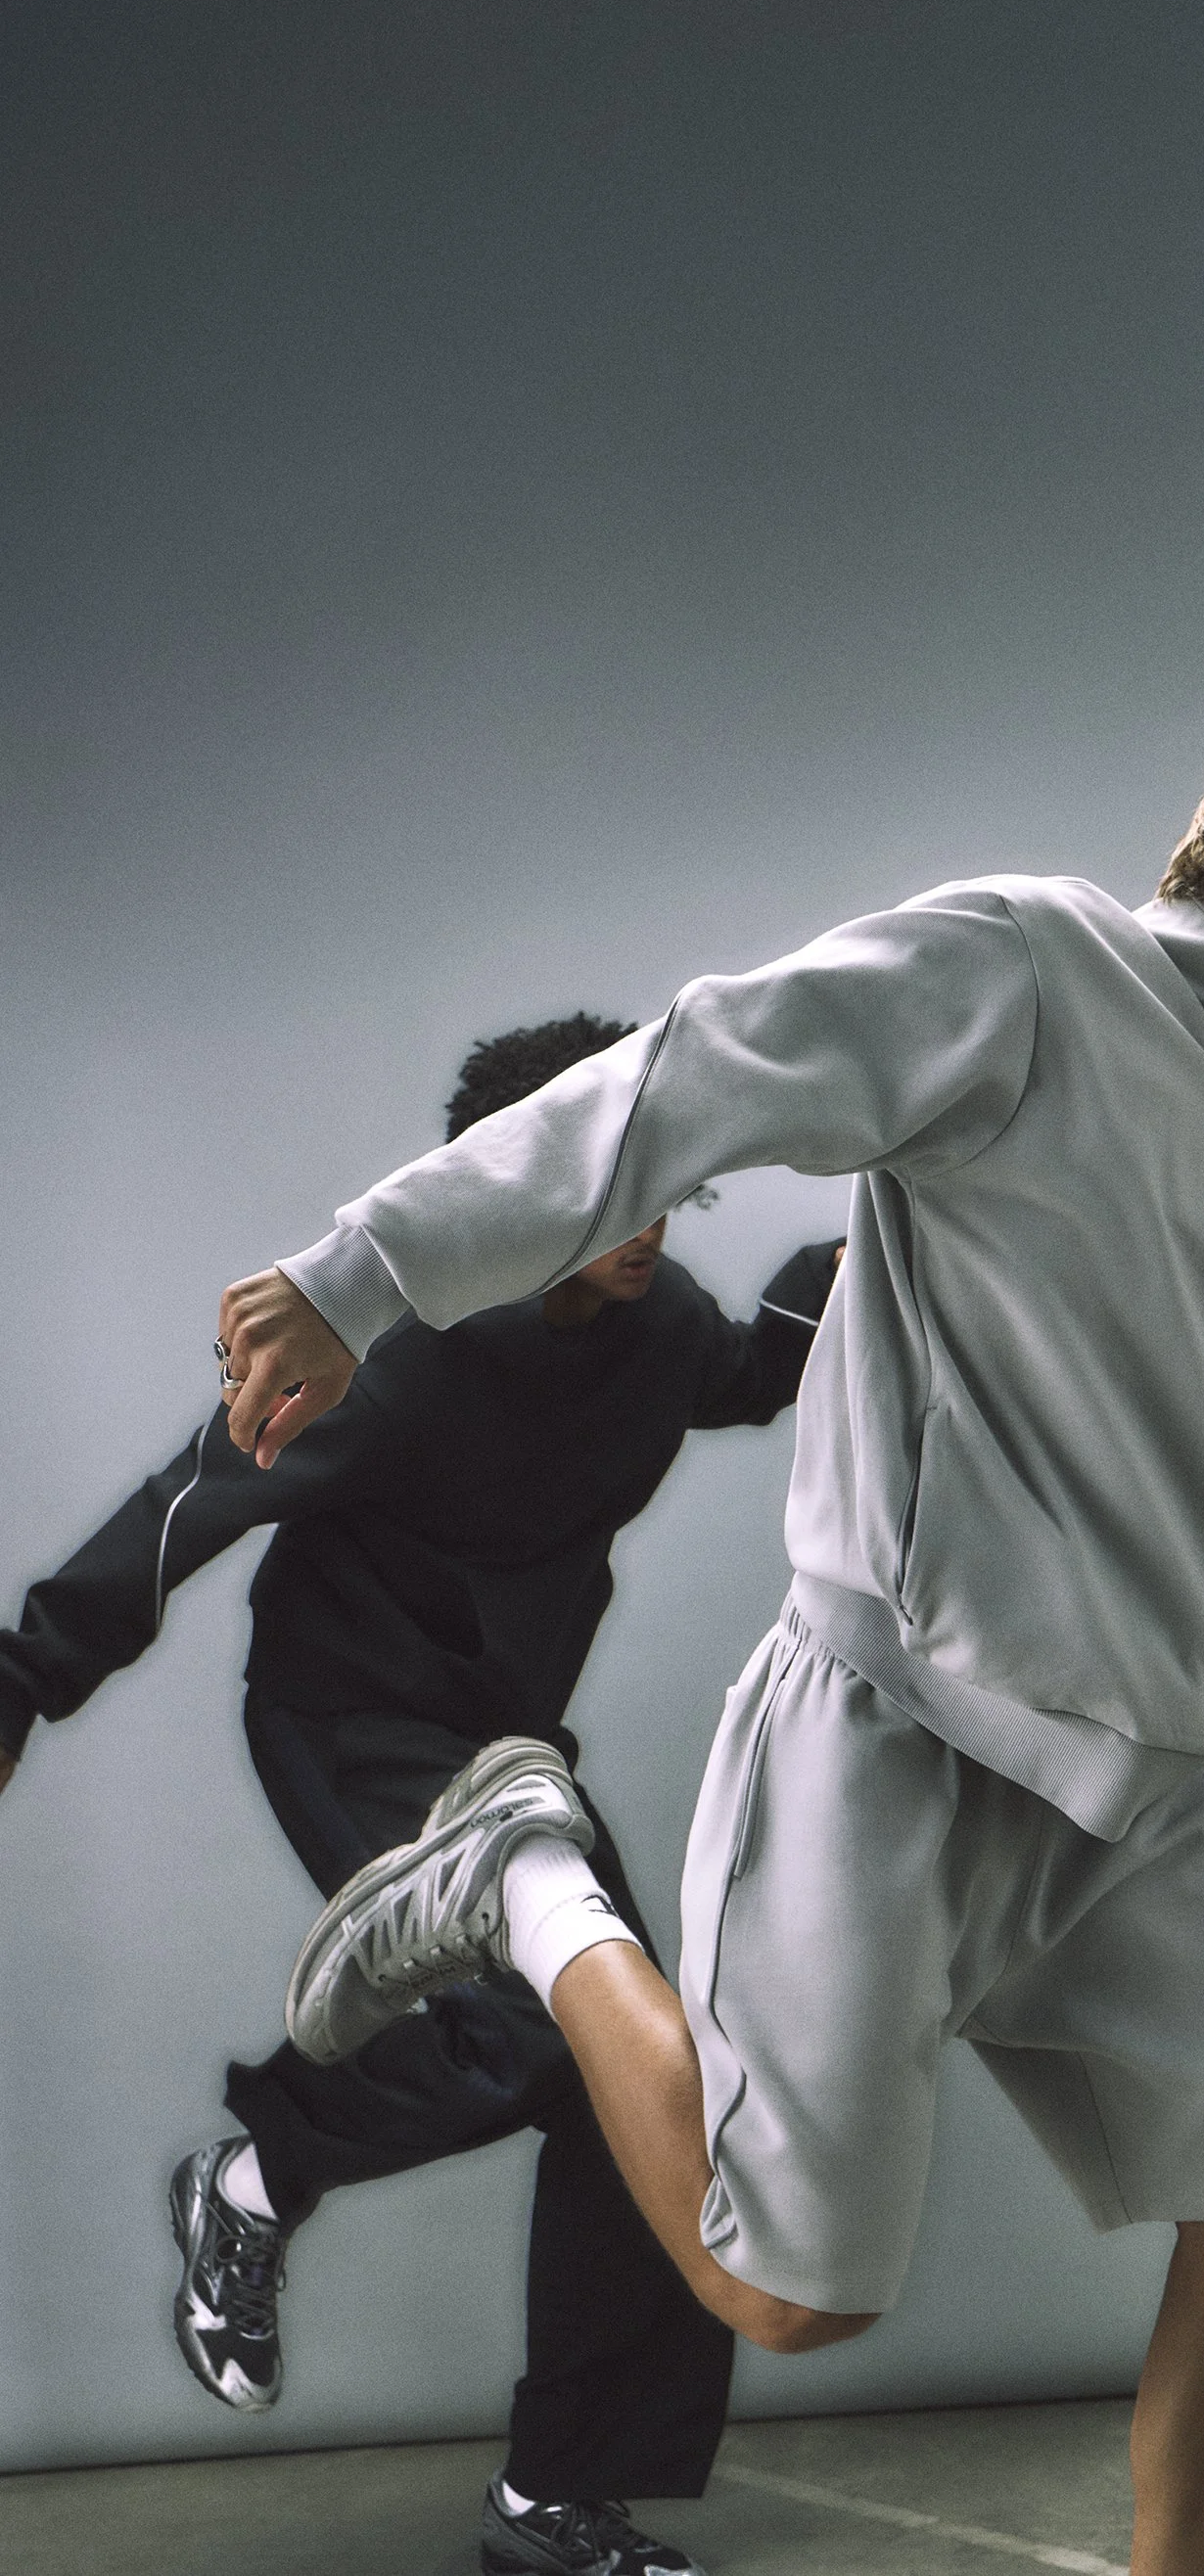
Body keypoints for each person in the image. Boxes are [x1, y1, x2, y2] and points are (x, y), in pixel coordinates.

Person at [217, 707, 1204, 2576]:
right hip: (902, 1740)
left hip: (1139, 1791)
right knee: (782, 2293)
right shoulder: (1030, 966)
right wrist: (364, 1273)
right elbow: (695, 1073)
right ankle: (522, 1880)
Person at [1, 1009, 840, 2576]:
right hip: (352, 1721)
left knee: (643, 2077)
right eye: (605, 1184)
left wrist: (863, 1264)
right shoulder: (401, 1351)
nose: (646, 1220)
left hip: (505, 1746)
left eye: (660, 1176)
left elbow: (738, 1372)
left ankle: (555, 2496)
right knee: (539, 2035)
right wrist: (25, 1675)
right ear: (518, 1185)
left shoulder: (659, 1327)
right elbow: (194, 1499)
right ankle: (260, 2173)